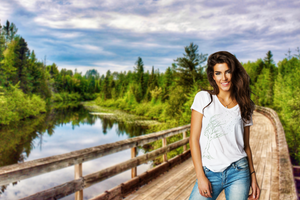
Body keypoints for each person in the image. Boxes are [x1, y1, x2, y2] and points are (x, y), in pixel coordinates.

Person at [188, 51, 260, 200]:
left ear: (234, 73)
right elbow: (193, 139)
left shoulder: (245, 105)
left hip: (239, 172)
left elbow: (246, 146)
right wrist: (200, 176)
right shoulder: (204, 99)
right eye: (218, 73)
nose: (224, 78)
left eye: (227, 72)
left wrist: (253, 177)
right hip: (209, 172)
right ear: (213, 76)